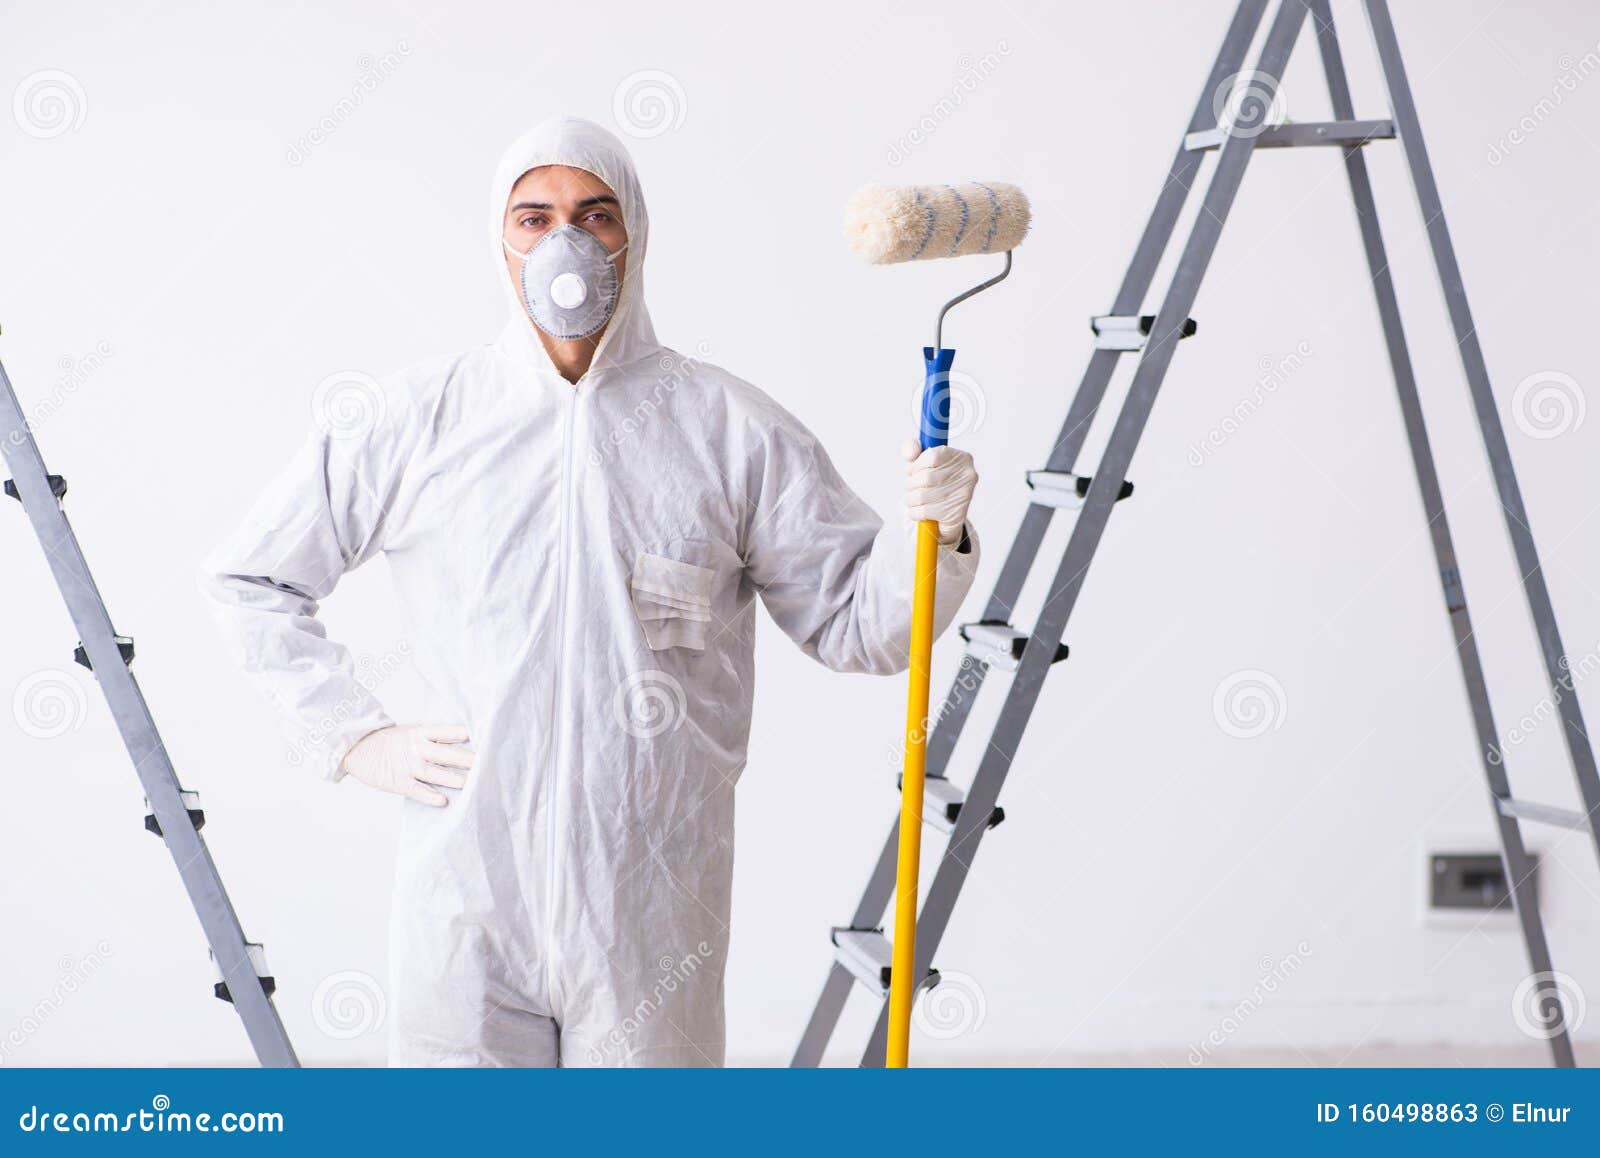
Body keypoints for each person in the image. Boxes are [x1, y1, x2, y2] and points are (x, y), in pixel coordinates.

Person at [201, 115, 981, 1067]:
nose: (565, 243)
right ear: (501, 240)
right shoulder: (423, 419)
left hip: (652, 907)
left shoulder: (728, 427)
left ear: (634, 234)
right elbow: (252, 576)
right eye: (535, 218)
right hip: (469, 898)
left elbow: (864, 631)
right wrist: (352, 735)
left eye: (594, 214)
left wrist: (930, 539)